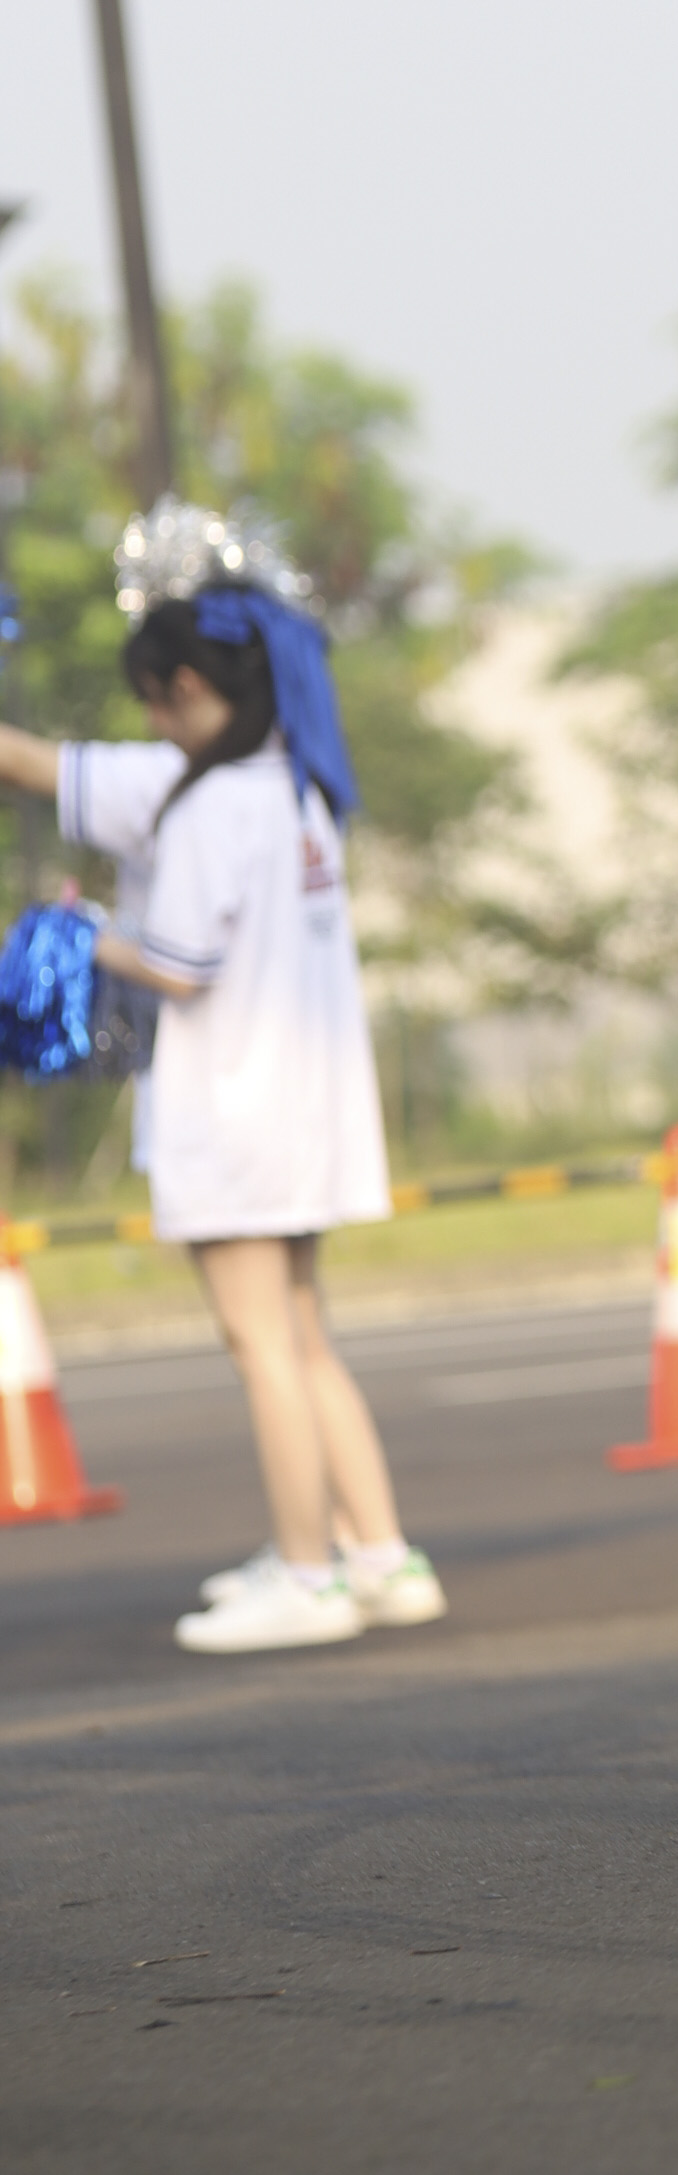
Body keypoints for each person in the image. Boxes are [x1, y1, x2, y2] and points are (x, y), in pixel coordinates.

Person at [0, 525, 445, 1652]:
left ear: (193, 688)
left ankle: (308, 1575)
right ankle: (380, 1557)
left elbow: (181, 964)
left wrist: (82, 934)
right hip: (301, 1108)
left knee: (262, 1347)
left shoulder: (207, 806)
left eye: (156, 702)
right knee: (303, 1337)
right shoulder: (298, 792)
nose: (152, 723)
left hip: (236, 1109)